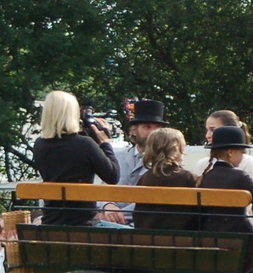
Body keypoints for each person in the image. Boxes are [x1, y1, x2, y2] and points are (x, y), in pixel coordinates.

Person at [31, 89, 120, 226]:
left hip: (51, 222)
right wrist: (105, 144)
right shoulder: (84, 144)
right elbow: (113, 177)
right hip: (84, 224)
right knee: (131, 236)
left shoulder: (39, 145)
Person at [198, 125, 253, 234]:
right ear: (230, 153)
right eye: (242, 152)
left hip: (209, 232)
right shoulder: (240, 176)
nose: (243, 156)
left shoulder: (206, 177)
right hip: (238, 234)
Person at [135, 127, 201, 231]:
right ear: (176, 149)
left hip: (147, 238)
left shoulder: (145, 178)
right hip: (183, 239)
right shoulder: (188, 178)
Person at [116, 98, 171, 189]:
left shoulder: (166, 162)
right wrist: (107, 203)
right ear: (134, 130)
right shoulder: (117, 156)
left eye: (157, 128)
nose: (153, 132)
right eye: (147, 127)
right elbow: (103, 189)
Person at [204, 110, 253, 185]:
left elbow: (250, 195)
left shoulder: (249, 163)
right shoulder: (203, 164)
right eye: (207, 130)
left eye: (213, 130)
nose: (207, 135)